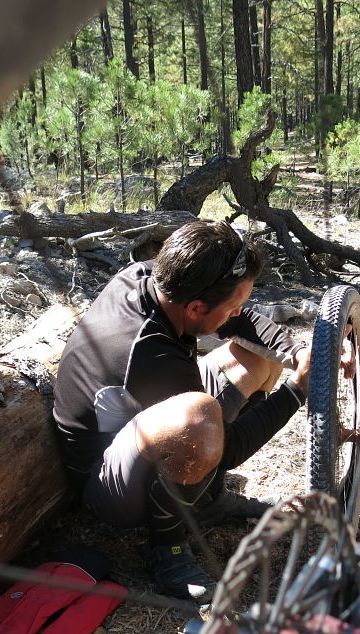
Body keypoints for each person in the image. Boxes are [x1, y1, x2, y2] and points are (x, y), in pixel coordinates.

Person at [53, 221, 311, 602]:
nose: (238, 312)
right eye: (232, 307)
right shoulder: (149, 350)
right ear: (195, 308)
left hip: (137, 417)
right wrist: (297, 391)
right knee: (200, 422)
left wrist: (297, 353)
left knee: (260, 360)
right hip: (105, 482)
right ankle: (168, 548)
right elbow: (227, 448)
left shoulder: (156, 278)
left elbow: (243, 320)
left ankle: (210, 500)